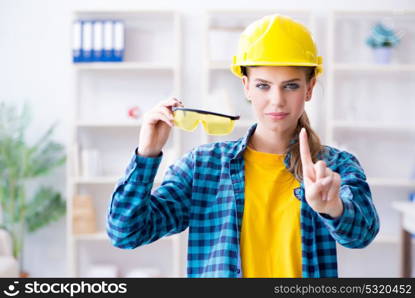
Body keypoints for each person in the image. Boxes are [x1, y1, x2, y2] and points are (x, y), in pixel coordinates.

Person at [106, 14, 379, 278]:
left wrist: (333, 207)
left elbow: (363, 234)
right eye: (263, 86)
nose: (277, 100)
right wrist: (147, 155)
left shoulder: (335, 166)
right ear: (246, 87)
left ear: (309, 88)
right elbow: (125, 232)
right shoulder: (203, 167)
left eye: (291, 86)